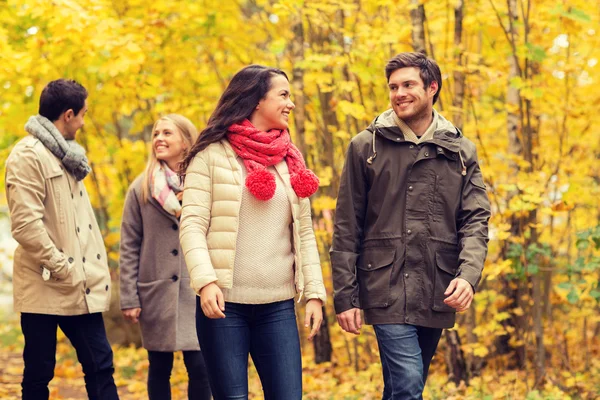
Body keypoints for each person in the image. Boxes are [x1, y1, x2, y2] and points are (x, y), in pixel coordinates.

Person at [331, 52, 491, 400]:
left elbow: (476, 219)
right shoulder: (365, 146)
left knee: (404, 387)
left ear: (432, 88)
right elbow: (346, 224)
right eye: (393, 87)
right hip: (383, 285)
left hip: (437, 286)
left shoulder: (461, 151)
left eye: (408, 85)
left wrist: (467, 275)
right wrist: (345, 295)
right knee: (407, 386)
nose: (398, 93)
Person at [178, 64, 327, 400]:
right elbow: (192, 225)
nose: (291, 104)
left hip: (278, 306)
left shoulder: (290, 161)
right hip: (224, 306)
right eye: (283, 95)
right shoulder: (211, 156)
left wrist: (315, 293)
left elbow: (304, 233)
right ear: (258, 100)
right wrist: (206, 282)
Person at [4, 79, 119, 399]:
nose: (83, 122)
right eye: (82, 114)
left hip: (78, 284)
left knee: (100, 364)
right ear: (68, 115)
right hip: (46, 282)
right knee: (39, 372)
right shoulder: (27, 156)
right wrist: (64, 267)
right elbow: (26, 225)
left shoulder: (68, 157)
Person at [119, 114, 212, 399]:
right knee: (159, 366)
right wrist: (129, 297)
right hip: (156, 292)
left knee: (200, 365)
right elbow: (129, 244)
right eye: (156, 134)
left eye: (167, 133)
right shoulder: (141, 187)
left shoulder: (203, 183)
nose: (159, 138)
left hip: (197, 289)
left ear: (185, 141)